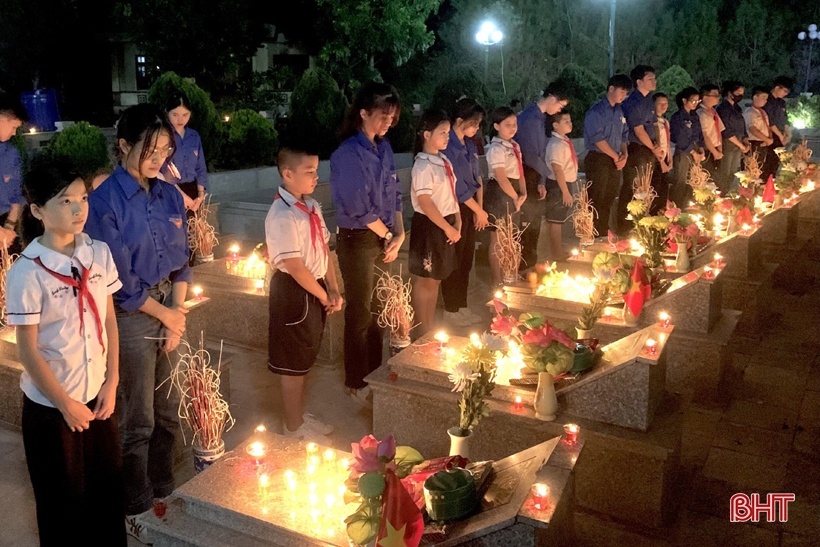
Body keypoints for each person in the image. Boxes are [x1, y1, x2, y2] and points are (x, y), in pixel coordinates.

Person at [85, 104, 191, 544]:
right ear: (125, 145)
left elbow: (184, 258)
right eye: (150, 149)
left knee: (169, 406)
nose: (159, 158)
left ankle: (164, 486)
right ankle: (136, 502)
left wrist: (177, 313)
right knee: (137, 414)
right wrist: (163, 314)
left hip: (171, 304)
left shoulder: (168, 193)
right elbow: (121, 281)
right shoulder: (103, 202)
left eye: (165, 149)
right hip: (131, 314)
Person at [6, 159, 125, 546]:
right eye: (65, 201)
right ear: (38, 210)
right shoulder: (27, 271)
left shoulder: (98, 253)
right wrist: (65, 405)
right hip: (52, 409)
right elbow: (28, 351)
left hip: (98, 398)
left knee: (107, 498)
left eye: (83, 198)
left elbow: (108, 321)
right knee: (62, 507)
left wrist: (113, 380)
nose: (79, 210)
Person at [330, 82, 403, 408]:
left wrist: (399, 233)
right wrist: (388, 235)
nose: (388, 122)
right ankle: (355, 379)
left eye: (392, 116)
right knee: (359, 311)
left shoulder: (384, 148)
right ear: (363, 113)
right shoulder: (347, 154)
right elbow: (359, 207)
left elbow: (395, 194)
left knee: (378, 309)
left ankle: (375, 370)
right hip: (359, 238)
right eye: (383, 115)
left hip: (385, 235)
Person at [265, 147, 343, 444]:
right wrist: (324, 295)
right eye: (308, 171)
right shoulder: (282, 214)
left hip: (316, 286)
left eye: (315, 169)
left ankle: (298, 416)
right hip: (295, 292)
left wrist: (333, 288)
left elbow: (324, 250)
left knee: (306, 353)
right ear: (287, 174)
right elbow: (296, 268)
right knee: (293, 361)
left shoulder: (310, 207)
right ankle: (293, 426)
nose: (315, 176)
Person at [409, 110, 461, 336]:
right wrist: (447, 226)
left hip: (446, 221)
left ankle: (429, 327)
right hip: (431, 225)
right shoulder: (422, 165)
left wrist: (457, 218)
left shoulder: (443, 160)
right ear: (427, 134)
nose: (447, 137)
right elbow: (425, 201)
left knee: (437, 277)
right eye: (442, 132)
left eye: (448, 132)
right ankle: (423, 328)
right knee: (426, 279)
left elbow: (450, 192)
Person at [440, 98, 487, 328]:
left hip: (472, 208)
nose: (477, 128)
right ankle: (451, 308)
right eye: (474, 123)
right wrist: (478, 209)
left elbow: (477, 178)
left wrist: (480, 210)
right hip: (455, 208)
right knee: (455, 259)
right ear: (460, 121)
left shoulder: (469, 145)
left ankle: (462, 304)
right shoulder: (448, 146)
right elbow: (458, 187)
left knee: (467, 258)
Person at [515, 83, 569, 270]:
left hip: (537, 174)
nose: (558, 110)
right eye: (560, 106)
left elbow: (542, 151)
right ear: (552, 98)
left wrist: (542, 180)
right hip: (526, 172)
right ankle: (523, 265)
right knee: (528, 221)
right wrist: (546, 173)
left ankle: (531, 262)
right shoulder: (529, 118)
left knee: (535, 221)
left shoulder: (541, 119)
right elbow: (529, 154)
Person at [583, 74, 631, 235]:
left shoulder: (619, 111)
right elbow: (598, 139)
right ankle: (592, 231)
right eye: (621, 91)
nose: (623, 96)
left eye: (626, 93)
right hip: (599, 158)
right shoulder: (596, 111)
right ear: (611, 88)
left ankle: (603, 230)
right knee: (597, 196)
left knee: (610, 195)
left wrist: (624, 155)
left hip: (615, 158)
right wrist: (616, 156)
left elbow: (624, 135)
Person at [617, 65, 662, 234]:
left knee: (645, 187)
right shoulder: (633, 102)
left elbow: (653, 124)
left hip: (649, 147)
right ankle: (625, 225)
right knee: (632, 187)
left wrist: (657, 146)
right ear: (639, 81)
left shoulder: (649, 99)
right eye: (650, 78)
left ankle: (642, 221)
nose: (654, 81)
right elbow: (638, 129)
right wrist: (653, 147)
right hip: (637, 148)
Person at [484, 107, 526, 286]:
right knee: (498, 238)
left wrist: (523, 193)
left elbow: (520, 172)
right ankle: (497, 279)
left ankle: (510, 273)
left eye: (514, 124)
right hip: (500, 193)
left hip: (514, 191)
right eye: (507, 125)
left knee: (511, 236)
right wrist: (515, 196)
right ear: (496, 126)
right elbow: (501, 177)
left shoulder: (514, 145)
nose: (512, 128)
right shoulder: (495, 148)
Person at [163, 93, 208, 212]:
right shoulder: (164, 136)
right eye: (175, 115)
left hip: (193, 189)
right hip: (171, 189)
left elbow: (200, 166)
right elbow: (163, 167)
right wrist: (182, 196)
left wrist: (201, 193)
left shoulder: (194, 136)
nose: (180, 119)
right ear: (167, 113)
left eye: (185, 115)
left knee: (195, 228)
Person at [544, 112, 579, 261]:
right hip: (557, 186)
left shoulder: (564, 141)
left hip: (565, 184)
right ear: (555, 125)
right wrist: (565, 191)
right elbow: (557, 169)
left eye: (570, 120)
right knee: (555, 220)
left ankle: (559, 249)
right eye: (565, 121)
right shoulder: (556, 144)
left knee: (560, 219)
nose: (569, 123)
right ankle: (556, 252)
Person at [670, 87, 705, 205]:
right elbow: (679, 138)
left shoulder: (695, 116)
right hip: (684, 151)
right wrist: (693, 152)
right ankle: (676, 207)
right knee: (681, 180)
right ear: (684, 101)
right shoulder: (677, 117)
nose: (695, 103)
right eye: (693, 101)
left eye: (698, 101)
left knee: (694, 179)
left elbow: (699, 133)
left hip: (695, 149)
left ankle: (690, 205)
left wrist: (701, 149)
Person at [0, 97, 26, 254]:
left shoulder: (11, 153)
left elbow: (17, 194)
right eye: (13, 126)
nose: (14, 133)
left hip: (6, 223)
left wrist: (9, 226)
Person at [715, 81, 749, 192]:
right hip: (728, 142)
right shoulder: (723, 109)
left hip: (739, 142)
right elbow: (726, 130)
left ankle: (727, 191)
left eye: (742, 93)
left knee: (733, 171)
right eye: (738, 92)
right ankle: (721, 193)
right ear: (730, 93)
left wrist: (745, 140)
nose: (740, 95)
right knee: (725, 171)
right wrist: (740, 144)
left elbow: (742, 126)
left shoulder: (737, 108)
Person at [762, 76, 793, 181]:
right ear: (777, 88)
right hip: (770, 134)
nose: (786, 94)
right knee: (768, 161)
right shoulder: (767, 100)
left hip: (781, 135)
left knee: (776, 161)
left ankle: (772, 182)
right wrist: (780, 136)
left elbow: (784, 118)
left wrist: (788, 133)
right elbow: (769, 121)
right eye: (784, 91)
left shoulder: (781, 102)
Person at [698, 84, 725, 182]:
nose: (718, 97)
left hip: (715, 149)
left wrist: (719, 150)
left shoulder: (713, 112)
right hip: (707, 149)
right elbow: (705, 135)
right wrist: (714, 151)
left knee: (714, 176)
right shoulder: (701, 113)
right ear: (705, 97)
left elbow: (719, 130)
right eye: (715, 95)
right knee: (706, 177)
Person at [743, 87, 774, 173]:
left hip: (764, 142)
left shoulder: (763, 112)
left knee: (760, 167)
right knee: (751, 168)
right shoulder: (750, 112)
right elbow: (752, 129)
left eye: (766, 99)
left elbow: (767, 127)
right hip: (754, 143)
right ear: (755, 97)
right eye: (763, 98)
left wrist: (769, 139)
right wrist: (767, 139)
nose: (765, 100)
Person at [652, 92, 673, 213]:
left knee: (664, 189)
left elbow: (667, 142)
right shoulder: (653, 122)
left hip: (665, 157)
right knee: (656, 188)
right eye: (660, 103)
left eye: (666, 103)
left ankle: (663, 213)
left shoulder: (665, 121)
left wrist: (669, 158)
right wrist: (661, 162)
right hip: (656, 159)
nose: (663, 106)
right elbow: (656, 143)